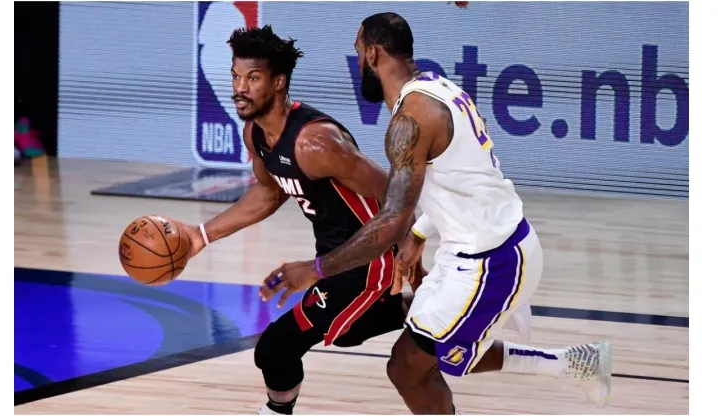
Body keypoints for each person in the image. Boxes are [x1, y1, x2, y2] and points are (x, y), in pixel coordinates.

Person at [260, 12, 612, 414]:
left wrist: (316, 269)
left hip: (492, 261)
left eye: (358, 53)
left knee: (410, 366)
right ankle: (579, 362)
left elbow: (391, 221)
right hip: (477, 250)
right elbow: (463, 179)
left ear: (373, 54)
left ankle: (575, 361)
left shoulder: (410, 118)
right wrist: (421, 234)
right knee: (419, 357)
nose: (357, 62)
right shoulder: (439, 88)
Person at [179, 25, 415, 415]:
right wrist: (201, 235)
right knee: (348, 330)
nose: (240, 87)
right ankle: (433, 307)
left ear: (278, 82)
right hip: (336, 256)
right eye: (236, 77)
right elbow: (268, 193)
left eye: (253, 78)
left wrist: (410, 245)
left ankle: (276, 411)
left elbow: (396, 189)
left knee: (277, 346)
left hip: (369, 257)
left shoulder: (315, 143)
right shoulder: (256, 133)